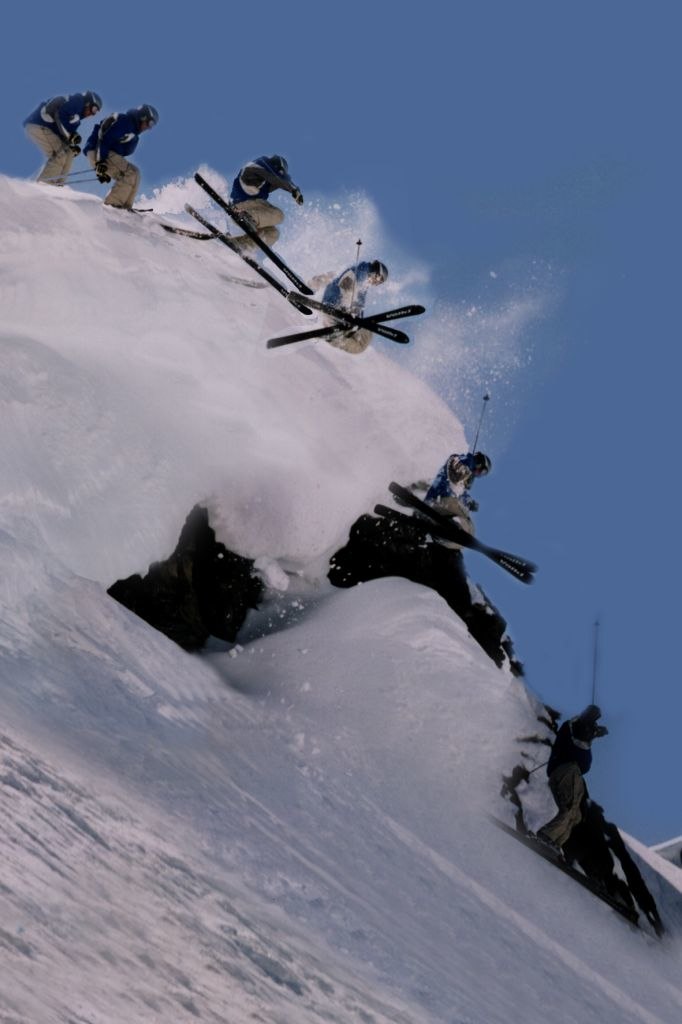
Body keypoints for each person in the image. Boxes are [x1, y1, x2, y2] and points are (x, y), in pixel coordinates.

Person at [534, 705, 608, 855]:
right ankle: (546, 835)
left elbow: (585, 760)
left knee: (576, 816)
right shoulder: (574, 726)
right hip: (565, 771)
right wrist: (592, 729)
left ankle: (555, 843)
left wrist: (593, 733)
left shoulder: (585, 736)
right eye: (592, 721)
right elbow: (579, 733)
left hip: (572, 774)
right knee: (568, 808)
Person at [83, 104, 159, 210]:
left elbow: (119, 155)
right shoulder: (125, 121)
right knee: (130, 173)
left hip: (104, 153)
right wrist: (101, 161)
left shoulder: (133, 135)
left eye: (152, 126)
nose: (149, 128)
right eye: (150, 123)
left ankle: (126, 207)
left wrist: (105, 168)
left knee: (135, 173)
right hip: (98, 150)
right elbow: (105, 138)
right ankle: (112, 205)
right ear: (143, 117)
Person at [24, 91, 103, 185]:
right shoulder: (78, 101)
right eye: (94, 109)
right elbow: (60, 115)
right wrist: (71, 136)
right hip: (38, 125)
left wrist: (71, 145)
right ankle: (44, 186)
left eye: (96, 113)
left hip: (47, 129)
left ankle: (58, 185)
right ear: (88, 103)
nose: (92, 114)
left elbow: (64, 133)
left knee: (69, 153)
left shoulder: (76, 117)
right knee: (59, 155)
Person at [310, 260, 389, 354]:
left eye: (379, 283)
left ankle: (334, 337)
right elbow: (347, 286)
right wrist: (348, 309)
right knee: (359, 343)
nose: (375, 282)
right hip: (335, 308)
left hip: (338, 312)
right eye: (378, 278)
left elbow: (359, 303)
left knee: (361, 342)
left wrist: (358, 318)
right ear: (375, 271)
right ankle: (332, 337)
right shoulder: (361, 272)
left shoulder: (364, 283)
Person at [229, 154, 303, 247]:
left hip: (250, 209)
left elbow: (278, 180)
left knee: (273, 233)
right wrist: (293, 189)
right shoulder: (259, 164)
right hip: (240, 206)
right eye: (281, 172)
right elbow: (276, 177)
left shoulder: (265, 182)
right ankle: (246, 216)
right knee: (278, 215)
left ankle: (242, 245)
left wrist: (295, 190)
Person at [423, 451, 492, 544]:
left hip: (441, 503)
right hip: (439, 499)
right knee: (465, 520)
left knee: (469, 525)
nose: (478, 475)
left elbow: (460, 493)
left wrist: (469, 501)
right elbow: (457, 463)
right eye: (482, 471)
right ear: (479, 463)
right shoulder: (466, 461)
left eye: (482, 474)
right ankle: (451, 529)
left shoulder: (464, 478)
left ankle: (439, 536)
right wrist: (467, 465)